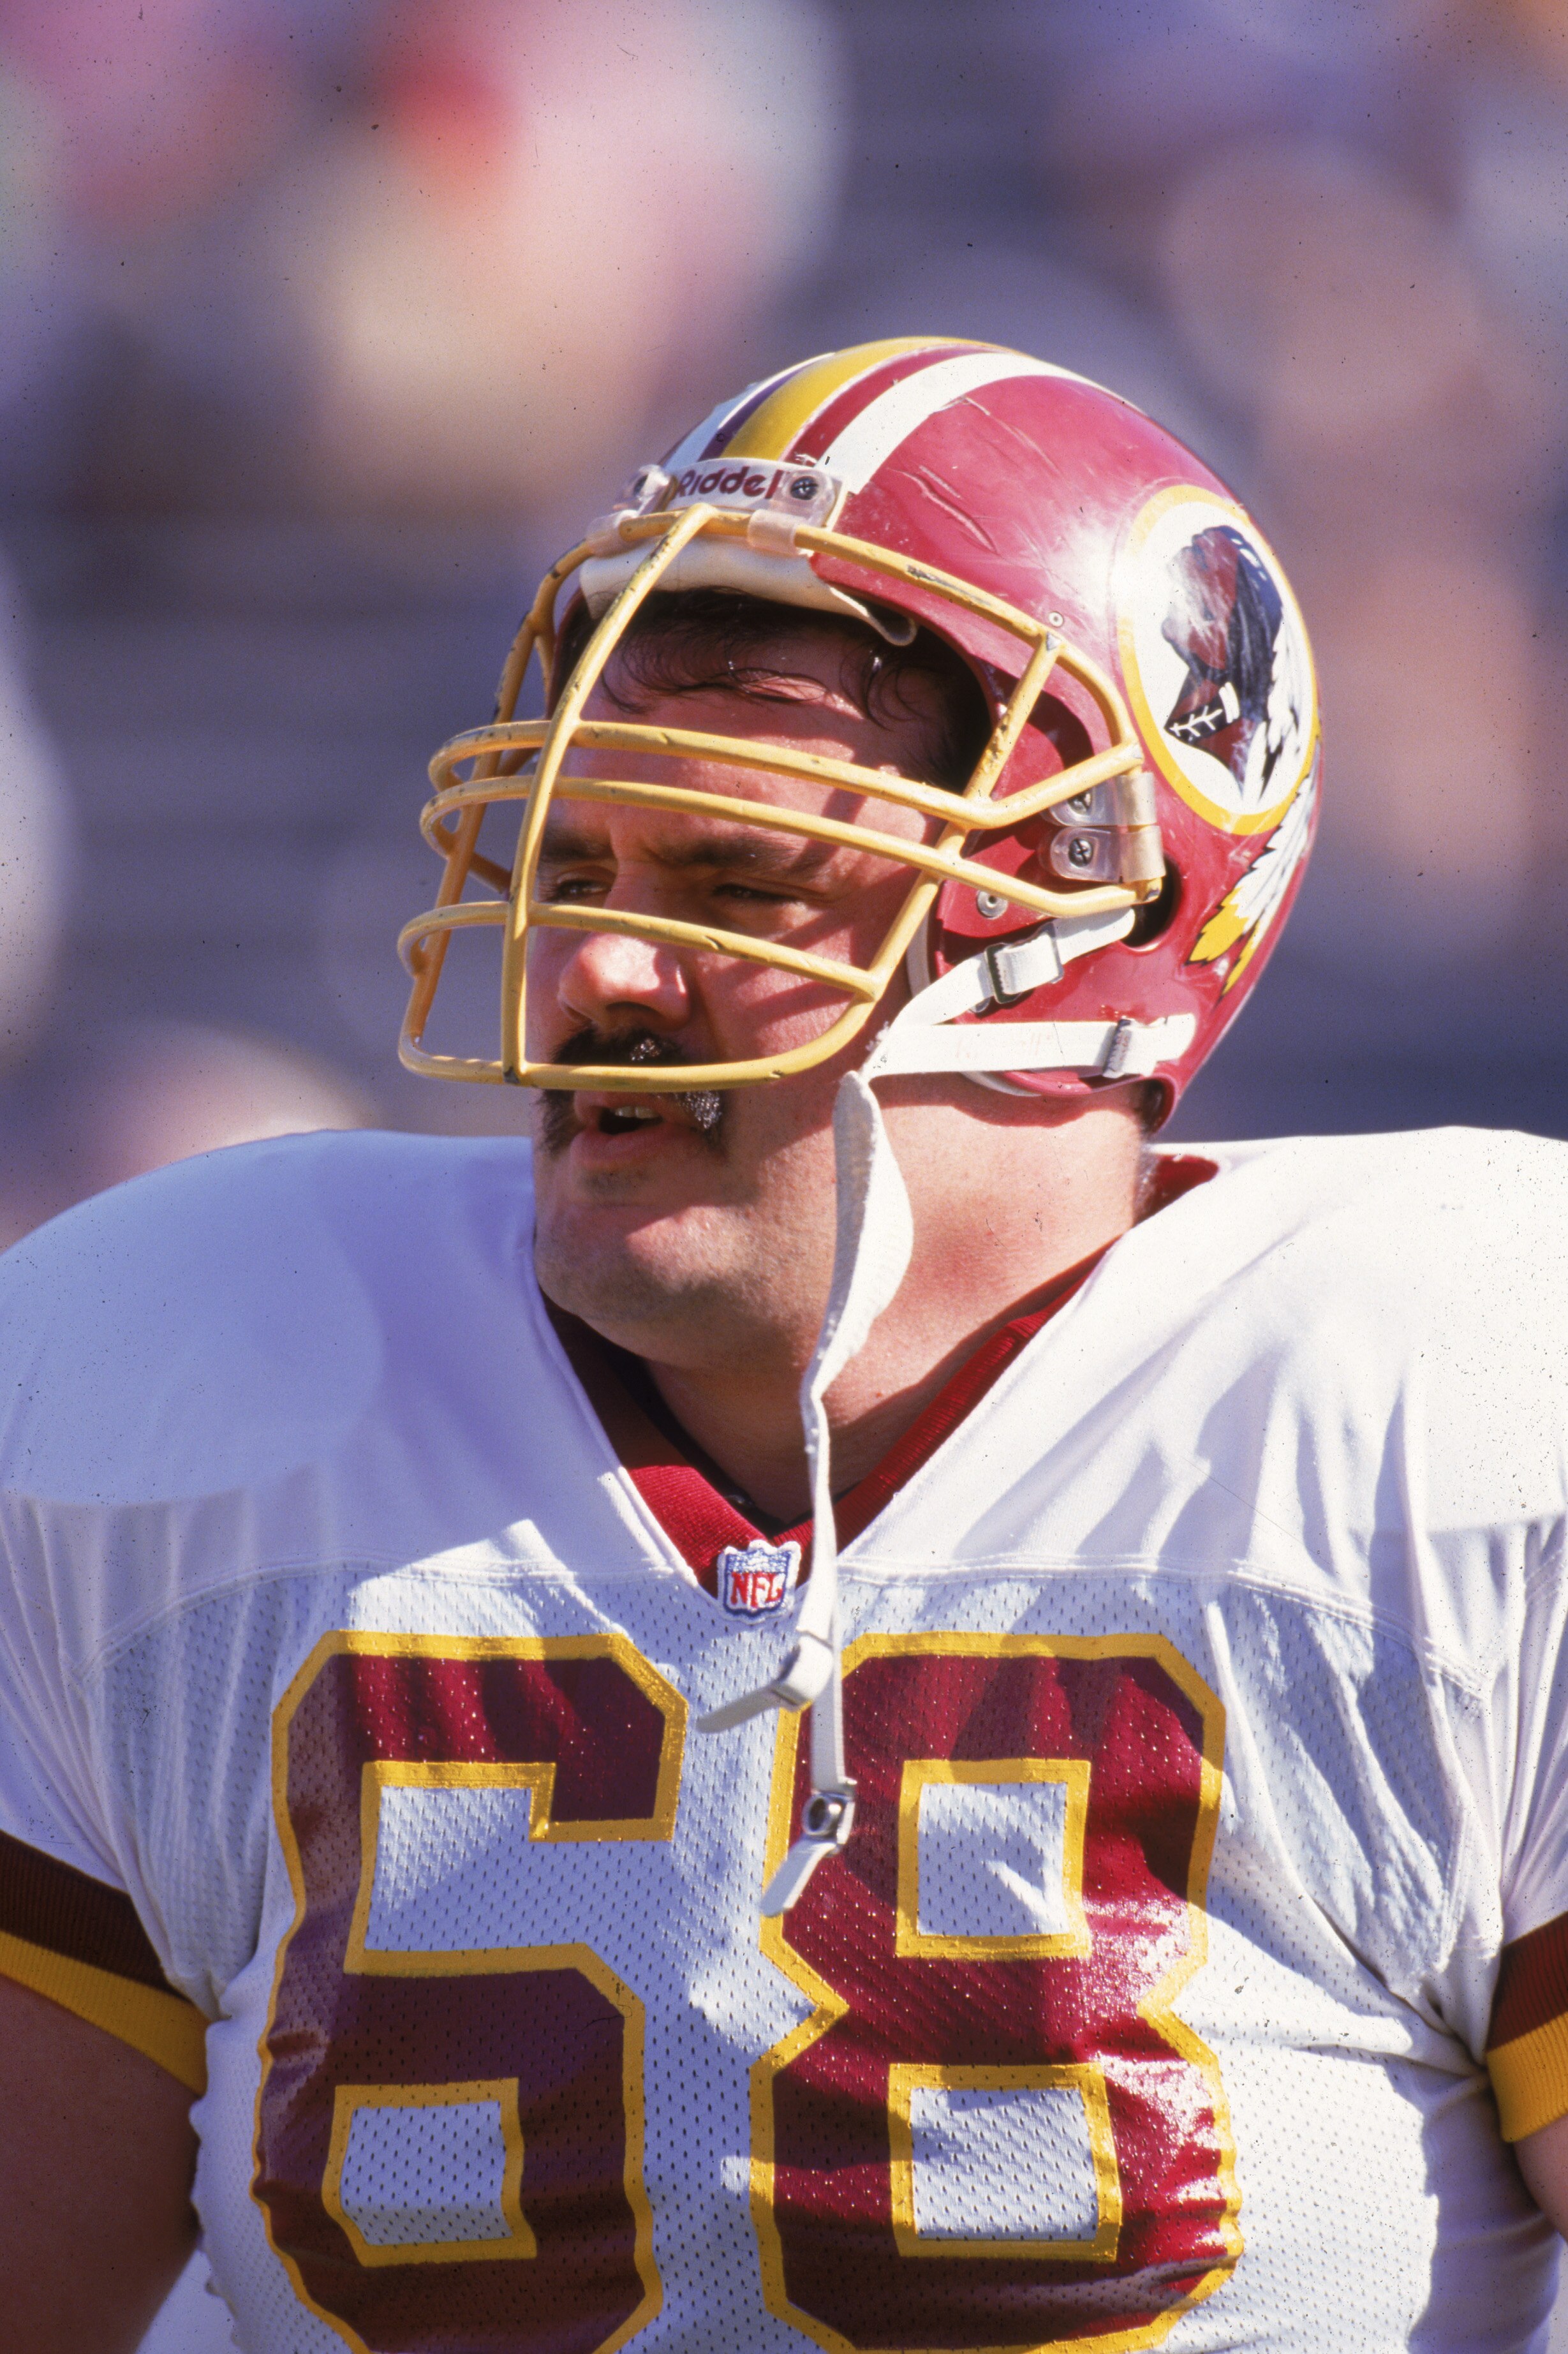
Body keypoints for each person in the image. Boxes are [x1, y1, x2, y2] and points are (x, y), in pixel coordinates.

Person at [0, 334, 1565, 2354]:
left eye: (736, 878)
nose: (602, 969)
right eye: (575, 867)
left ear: (1080, 918)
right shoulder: (179, 1383)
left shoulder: (1452, 1414)